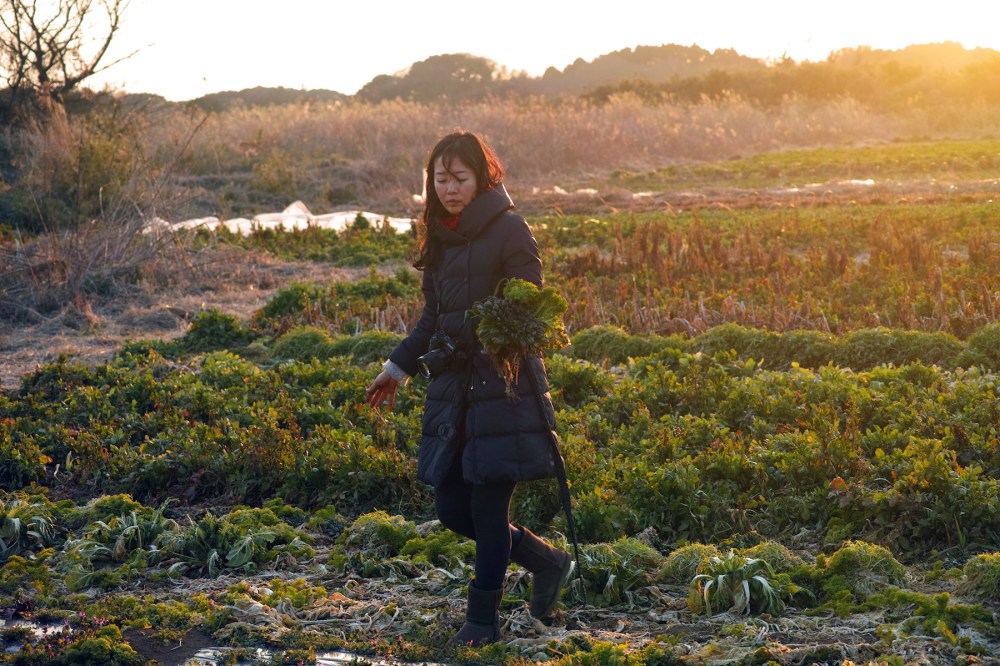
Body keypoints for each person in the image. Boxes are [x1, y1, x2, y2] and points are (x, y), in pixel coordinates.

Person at [366, 131, 572, 647]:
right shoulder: (440, 236)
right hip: (454, 390)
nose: (450, 188)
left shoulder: (511, 229)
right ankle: (547, 561)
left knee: (487, 508)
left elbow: (532, 304)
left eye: (460, 178)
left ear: (482, 178)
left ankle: (482, 622)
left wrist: (498, 334)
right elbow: (432, 317)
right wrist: (396, 367)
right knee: (452, 508)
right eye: (441, 179)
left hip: (504, 389)